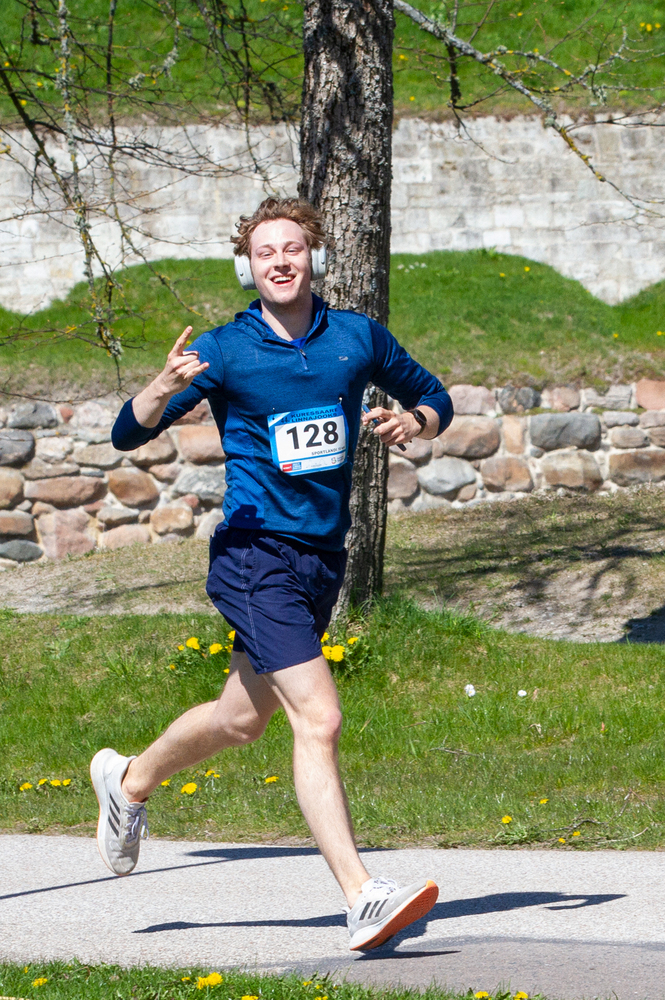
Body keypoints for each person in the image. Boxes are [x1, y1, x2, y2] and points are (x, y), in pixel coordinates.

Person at [91, 197, 453, 952]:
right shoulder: (225, 350)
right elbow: (129, 433)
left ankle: (128, 782)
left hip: (322, 558)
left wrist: (414, 422)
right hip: (254, 555)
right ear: (248, 266)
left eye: (292, 249)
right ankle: (361, 897)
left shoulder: (356, 338)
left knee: (240, 720)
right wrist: (161, 387)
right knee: (318, 719)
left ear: (313, 257)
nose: (281, 262)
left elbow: (435, 395)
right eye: (265, 253)